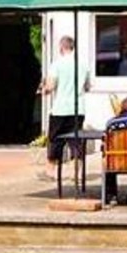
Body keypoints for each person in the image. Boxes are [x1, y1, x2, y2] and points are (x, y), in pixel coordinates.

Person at [40, 36, 90, 180]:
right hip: (78, 108)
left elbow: (50, 86)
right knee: (75, 140)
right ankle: (76, 172)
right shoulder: (83, 64)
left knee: (55, 139)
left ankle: (50, 171)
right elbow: (87, 86)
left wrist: (43, 89)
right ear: (73, 47)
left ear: (61, 48)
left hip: (60, 108)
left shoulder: (57, 64)